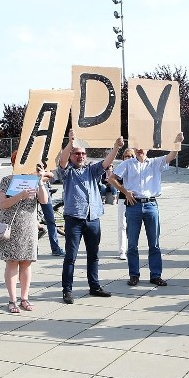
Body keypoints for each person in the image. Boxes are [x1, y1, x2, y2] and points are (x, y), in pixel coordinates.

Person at [58, 129, 124, 304]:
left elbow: (106, 163)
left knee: (93, 254)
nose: (80, 156)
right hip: (74, 218)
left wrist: (116, 148)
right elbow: (62, 161)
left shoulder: (91, 170)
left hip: (93, 217)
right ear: (72, 156)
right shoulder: (67, 172)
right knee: (70, 256)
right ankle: (67, 290)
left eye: (83, 154)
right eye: (77, 154)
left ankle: (94, 286)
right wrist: (70, 142)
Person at [109, 133, 183, 287]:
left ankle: (155, 275)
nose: (139, 150)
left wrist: (177, 143)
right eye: (137, 147)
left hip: (151, 205)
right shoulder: (128, 164)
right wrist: (125, 191)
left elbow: (171, 156)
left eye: (142, 147)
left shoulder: (155, 163)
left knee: (154, 243)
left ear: (148, 148)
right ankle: (134, 275)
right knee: (132, 244)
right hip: (134, 205)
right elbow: (111, 178)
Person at [0, 150, 48, 313]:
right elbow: (2, 204)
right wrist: (20, 195)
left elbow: (44, 200)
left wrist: (40, 180)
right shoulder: (6, 180)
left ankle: (24, 298)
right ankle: (12, 300)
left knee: (26, 262)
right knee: (12, 262)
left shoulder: (34, 181)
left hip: (28, 227)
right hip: (11, 227)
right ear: (14, 163)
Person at [36, 161, 64, 257]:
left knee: (51, 221)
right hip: (29, 190)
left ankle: (55, 248)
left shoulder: (42, 159)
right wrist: (39, 177)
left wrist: (41, 177)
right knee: (31, 220)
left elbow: (51, 174)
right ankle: (33, 249)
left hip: (44, 190)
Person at [113, 149, 135, 260]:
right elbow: (114, 181)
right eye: (126, 156)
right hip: (123, 199)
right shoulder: (121, 168)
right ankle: (122, 250)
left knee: (133, 227)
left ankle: (132, 248)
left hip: (136, 200)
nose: (129, 158)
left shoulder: (137, 167)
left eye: (131, 156)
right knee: (122, 225)